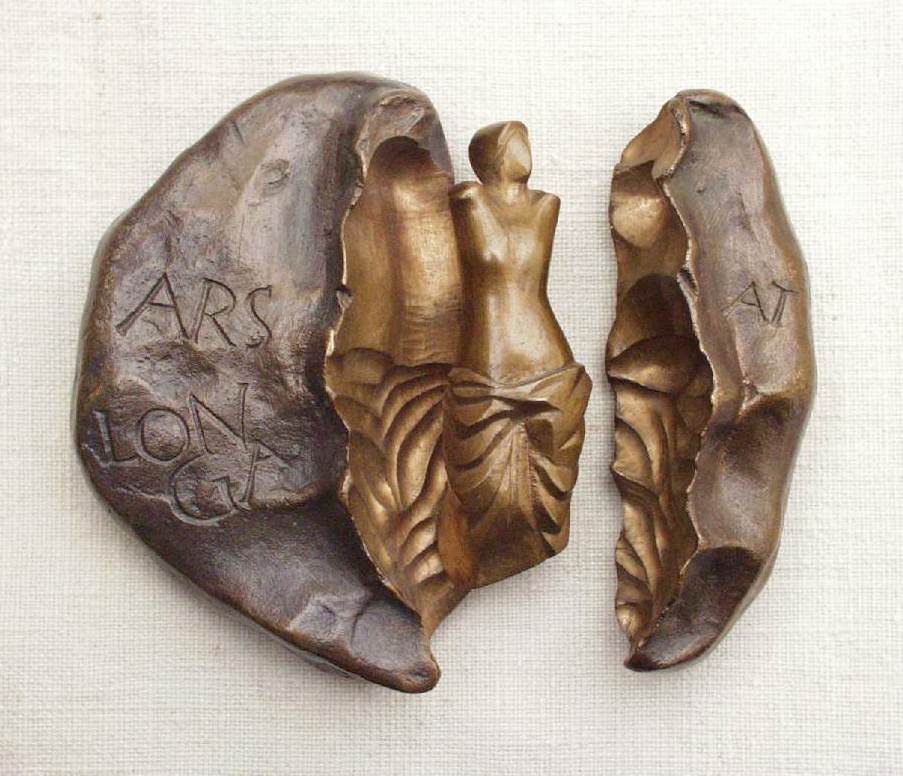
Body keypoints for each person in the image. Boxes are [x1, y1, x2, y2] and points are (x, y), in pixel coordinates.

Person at [439, 122, 591, 588]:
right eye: (515, 140)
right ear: (492, 154)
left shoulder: (547, 205)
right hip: (489, 359)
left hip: (549, 356)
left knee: (550, 468)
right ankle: (481, 554)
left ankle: (529, 544)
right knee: (482, 475)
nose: (526, 149)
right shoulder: (467, 199)